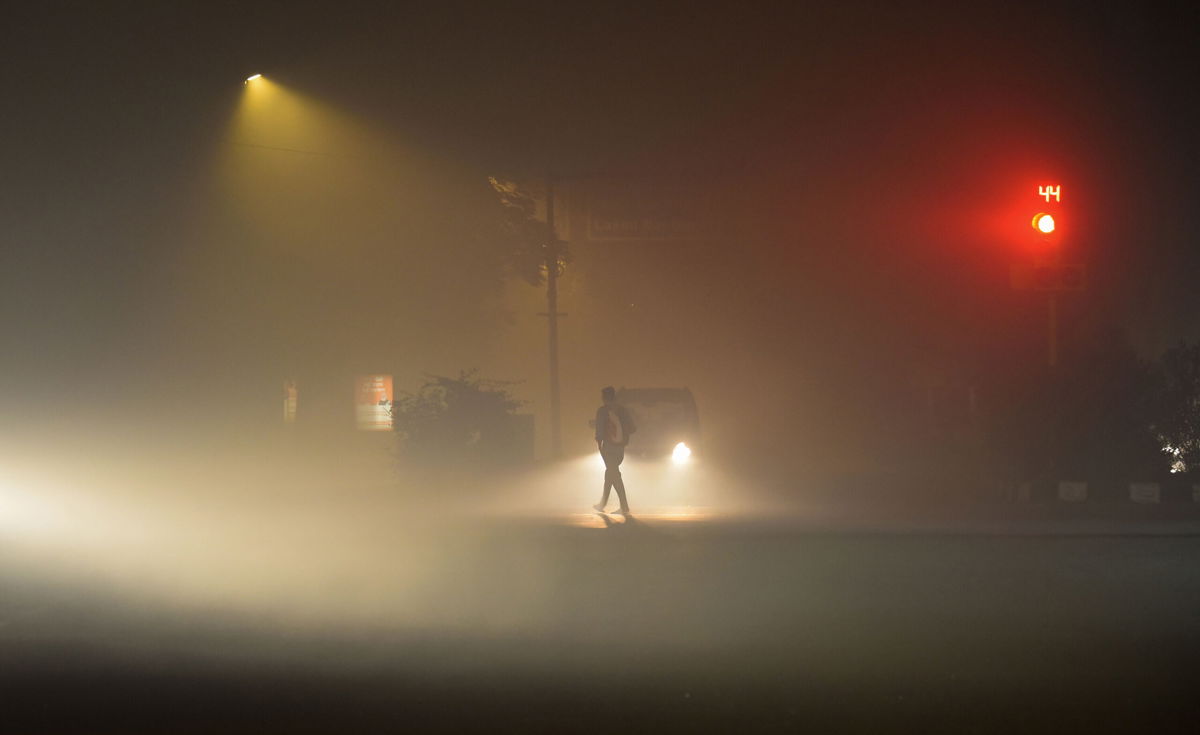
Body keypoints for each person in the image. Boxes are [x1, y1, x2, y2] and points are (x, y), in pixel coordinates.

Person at [593, 386, 636, 514]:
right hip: (620, 449)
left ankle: (624, 506)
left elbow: (599, 431)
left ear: (604, 397)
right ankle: (603, 504)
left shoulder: (602, 411)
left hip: (608, 449)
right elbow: (633, 428)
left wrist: (599, 443)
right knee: (611, 474)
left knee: (614, 475)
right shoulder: (623, 411)